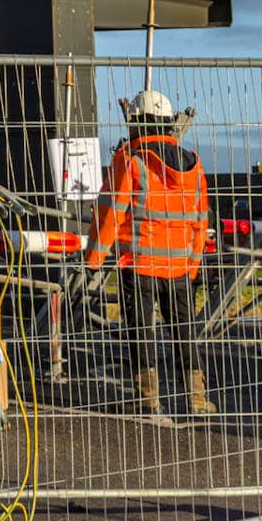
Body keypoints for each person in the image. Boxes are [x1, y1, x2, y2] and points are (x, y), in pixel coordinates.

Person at [85, 88, 215, 416]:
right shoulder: (194, 165)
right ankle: (197, 398)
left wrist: (93, 259)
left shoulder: (130, 159)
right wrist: (194, 264)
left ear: (138, 124)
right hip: (179, 267)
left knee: (141, 332)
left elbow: (110, 212)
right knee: (184, 331)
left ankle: (147, 400)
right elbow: (201, 220)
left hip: (138, 262)